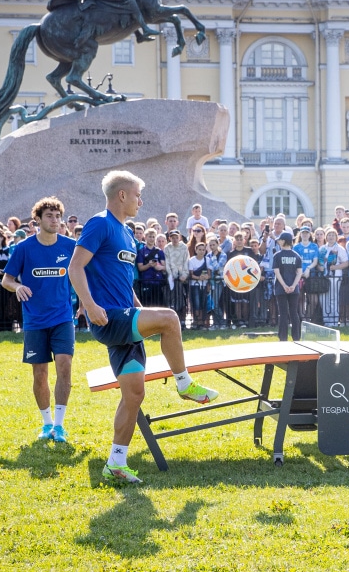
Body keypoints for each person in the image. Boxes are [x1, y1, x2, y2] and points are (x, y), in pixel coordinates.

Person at [68, 170, 218, 484]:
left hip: (125, 315)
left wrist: (137, 306)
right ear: (122, 195)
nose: (141, 201)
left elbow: (122, 281)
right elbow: (75, 267)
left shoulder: (126, 233)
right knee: (170, 319)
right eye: (137, 195)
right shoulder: (100, 224)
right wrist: (90, 305)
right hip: (109, 318)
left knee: (134, 394)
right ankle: (184, 383)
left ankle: (115, 464)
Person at [2, 197, 78, 443]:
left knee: (64, 365)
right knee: (40, 374)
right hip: (34, 320)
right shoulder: (24, 248)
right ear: (37, 219)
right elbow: (6, 280)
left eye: (58, 217)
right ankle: (46, 424)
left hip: (63, 317)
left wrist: (87, 304)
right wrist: (17, 287)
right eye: (49, 216)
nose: (55, 221)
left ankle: (59, 425)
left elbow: (84, 274)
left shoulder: (70, 246)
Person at [273, 232, 302, 340]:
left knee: (283, 313)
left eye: (280, 240)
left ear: (284, 241)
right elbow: (299, 273)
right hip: (294, 289)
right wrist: (293, 286)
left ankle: (283, 338)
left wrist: (284, 286)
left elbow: (277, 272)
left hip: (280, 288)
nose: (278, 241)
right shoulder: (296, 255)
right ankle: (296, 337)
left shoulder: (277, 256)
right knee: (294, 313)